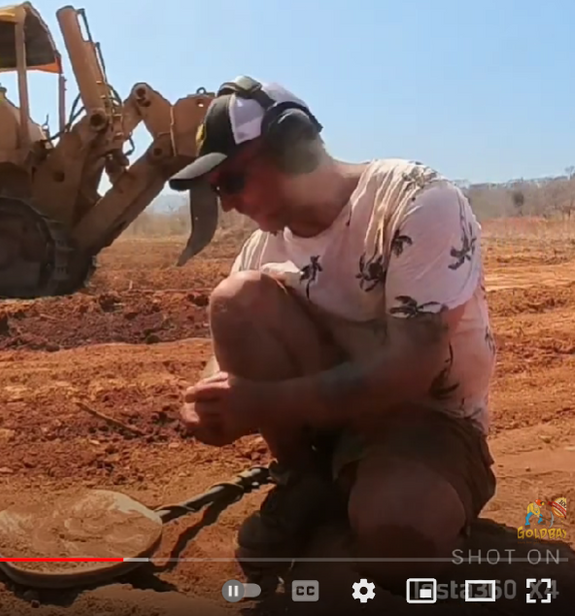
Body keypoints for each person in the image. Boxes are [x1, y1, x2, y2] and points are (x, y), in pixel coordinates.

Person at [167, 76, 497, 591]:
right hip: (330, 424)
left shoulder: (416, 201)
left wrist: (261, 404)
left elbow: (412, 369)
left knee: (399, 540)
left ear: (291, 144)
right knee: (235, 298)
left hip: (429, 423)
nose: (228, 203)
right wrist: (210, 398)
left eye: (232, 181)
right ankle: (309, 480)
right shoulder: (265, 247)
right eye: (216, 190)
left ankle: (391, 502)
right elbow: (227, 360)